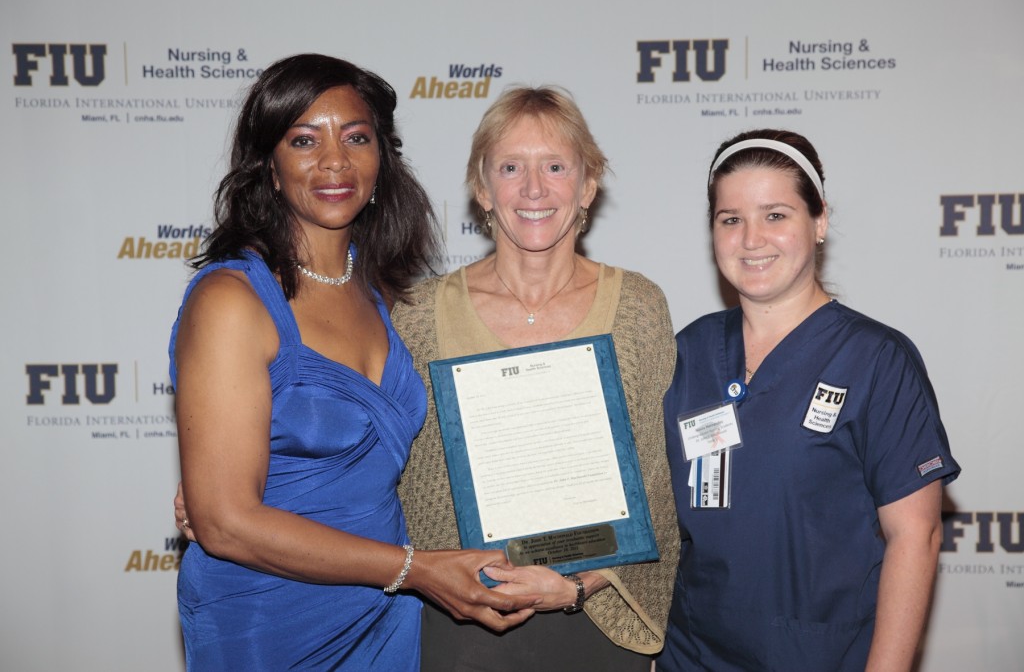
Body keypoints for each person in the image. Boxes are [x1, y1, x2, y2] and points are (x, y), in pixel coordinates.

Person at [169, 53, 537, 670]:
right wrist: (415, 570)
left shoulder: (385, 294)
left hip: (386, 615)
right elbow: (227, 521)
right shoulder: (231, 300)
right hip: (269, 620)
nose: (335, 161)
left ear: (382, 157)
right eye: (305, 140)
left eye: (356, 137)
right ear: (269, 165)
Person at [392, 86, 680, 671]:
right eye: (510, 167)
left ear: (587, 187)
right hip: (460, 625)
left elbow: (659, 479)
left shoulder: (638, 308)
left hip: (596, 619)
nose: (533, 188)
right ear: (482, 189)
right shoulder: (417, 315)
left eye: (555, 166)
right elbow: (369, 451)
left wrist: (580, 586)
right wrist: (249, 478)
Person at [657, 129, 960, 671]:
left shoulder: (876, 360)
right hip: (693, 657)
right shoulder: (690, 351)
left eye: (775, 215)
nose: (752, 239)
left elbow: (917, 535)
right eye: (731, 219)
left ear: (819, 222)